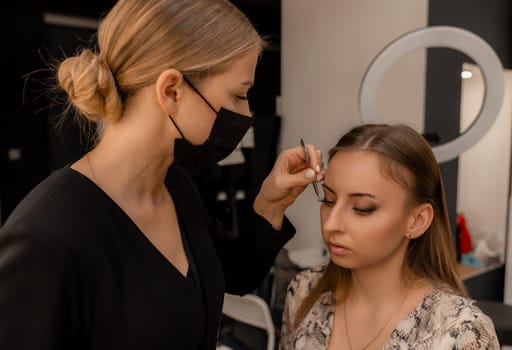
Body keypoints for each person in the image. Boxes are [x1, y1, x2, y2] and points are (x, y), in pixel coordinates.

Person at [0, 1, 324, 349]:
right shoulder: (48, 236)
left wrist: (270, 201)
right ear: (171, 91)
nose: (246, 112)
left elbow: (232, 274)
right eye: (239, 95)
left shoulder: (174, 185)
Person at [279, 124, 500, 349]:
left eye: (362, 208)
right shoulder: (304, 292)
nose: (331, 224)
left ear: (417, 220)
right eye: (328, 200)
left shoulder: (462, 334)